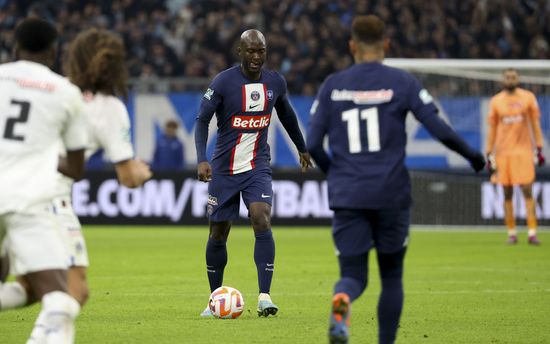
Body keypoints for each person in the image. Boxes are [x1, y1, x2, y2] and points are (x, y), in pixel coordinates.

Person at [307, 15, 486, 344]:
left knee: (352, 276)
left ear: (352, 46)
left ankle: (342, 299)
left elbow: (313, 143)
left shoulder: (333, 84)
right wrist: (475, 157)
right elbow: (439, 129)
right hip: (391, 193)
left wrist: (336, 174)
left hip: (348, 194)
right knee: (391, 277)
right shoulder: (402, 82)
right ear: (387, 44)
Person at [0, 27, 153, 341]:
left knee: (34, 287)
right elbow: (127, 177)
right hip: (44, 197)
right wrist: (142, 171)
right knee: (72, 291)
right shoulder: (108, 108)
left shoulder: (55, 89)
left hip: (14, 186)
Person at [194, 29, 312, 317]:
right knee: (219, 232)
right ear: (240, 52)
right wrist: (201, 159)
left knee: (261, 217)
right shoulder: (223, 82)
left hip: (257, 165)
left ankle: (264, 296)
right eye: (251, 51)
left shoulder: (275, 82)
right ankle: (214, 299)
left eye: (261, 51)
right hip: (224, 168)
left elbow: (286, 114)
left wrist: (302, 147)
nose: (256, 56)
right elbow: (201, 120)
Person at [0, 18, 87, 343]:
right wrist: (42, 153)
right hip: (29, 201)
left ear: (14, 47)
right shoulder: (65, 92)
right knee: (59, 301)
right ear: (54, 52)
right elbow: (76, 169)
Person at [486, 68, 544, 245]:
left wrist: (539, 147)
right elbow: (493, 129)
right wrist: (489, 153)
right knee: (507, 192)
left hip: (524, 151)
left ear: (518, 79)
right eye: (508, 77)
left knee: (527, 189)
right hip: (503, 153)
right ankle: (512, 233)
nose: (511, 80)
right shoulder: (496, 101)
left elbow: (534, 124)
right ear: (503, 80)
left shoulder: (528, 98)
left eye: (513, 77)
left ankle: (532, 233)